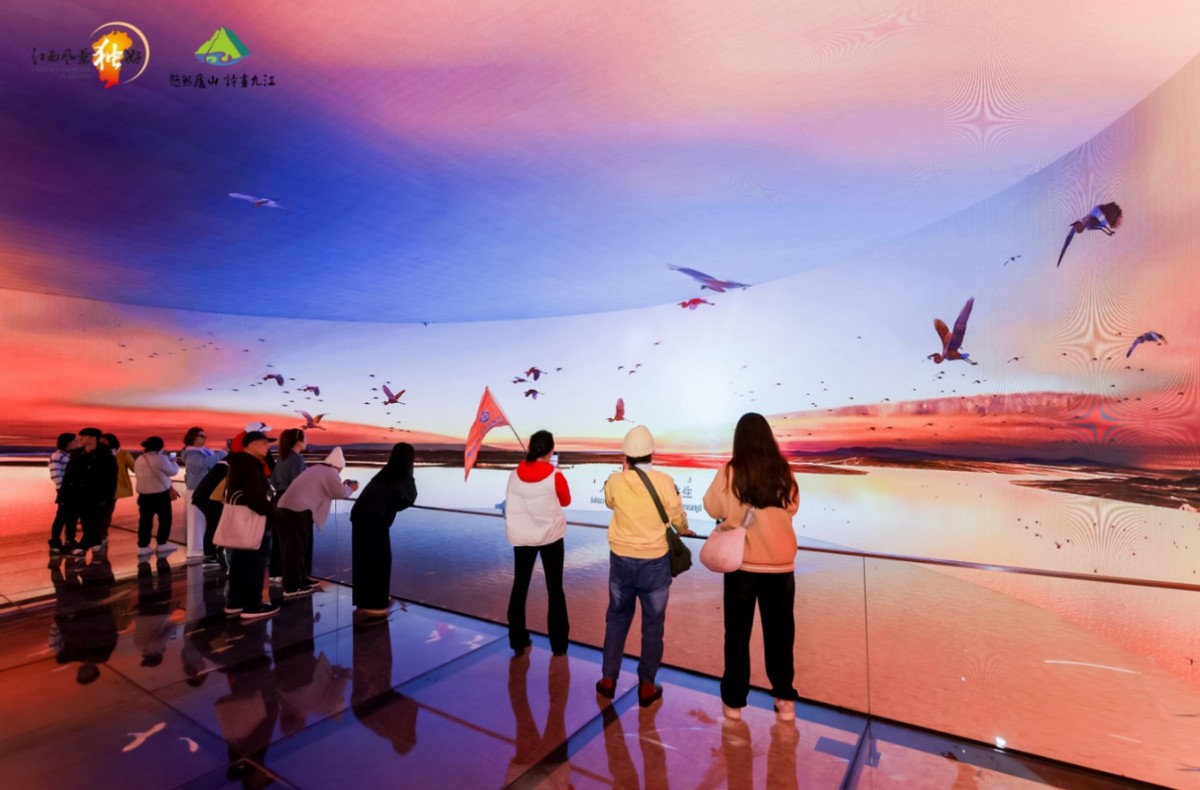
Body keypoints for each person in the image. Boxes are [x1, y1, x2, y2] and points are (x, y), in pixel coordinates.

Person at [702, 412, 801, 723]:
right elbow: (793, 507)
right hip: (780, 566)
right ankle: (785, 700)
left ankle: (734, 703)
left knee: (737, 635)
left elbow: (712, 507)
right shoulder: (783, 470)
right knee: (780, 635)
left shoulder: (730, 471)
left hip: (743, 565)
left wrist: (734, 510)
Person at [597, 425, 691, 708]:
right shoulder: (664, 481)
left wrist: (623, 472)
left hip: (621, 560)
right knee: (652, 625)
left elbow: (610, 502)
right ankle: (647, 685)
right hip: (655, 563)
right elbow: (677, 516)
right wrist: (683, 529)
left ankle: (608, 680)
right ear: (652, 453)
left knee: (617, 618)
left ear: (626, 456)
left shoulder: (615, 481)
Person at [504, 430, 571, 657]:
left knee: (520, 587)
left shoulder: (514, 474)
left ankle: (517, 639)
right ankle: (559, 645)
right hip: (550, 538)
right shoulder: (555, 475)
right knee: (555, 590)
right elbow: (566, 500)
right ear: (551, 450)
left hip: (523, 538)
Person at [276, 447, 357, 599]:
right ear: (338, 466)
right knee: (295, 549)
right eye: (340, 470)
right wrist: (351, 489)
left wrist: (342, 484)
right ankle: (292, 586)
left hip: (287, 508)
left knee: (296, 547)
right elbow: (339, 493)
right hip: (297, 511)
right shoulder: (330, 472)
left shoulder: (317, 469)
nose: (339, 472)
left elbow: (329, 487)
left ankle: (301, 578)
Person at [349, 443, 416, 616]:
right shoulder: (402, 473)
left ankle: (364, 600)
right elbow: (411, 496)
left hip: (360, 515)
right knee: (380, 559)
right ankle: (376, 604)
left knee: (363, 558)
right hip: (374, 519)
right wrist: (392, 507)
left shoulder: (386, 472)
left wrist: (390, 506)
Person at [224, 431, 280, 620]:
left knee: (240, 561)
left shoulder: (240, 464)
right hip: (254, 521)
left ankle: (236, 602)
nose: (268, 447)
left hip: (243, 522)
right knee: (255, 563)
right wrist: (274, 513)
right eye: (264, 443)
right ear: (251, 444)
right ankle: (252, 605)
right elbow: (255, 498)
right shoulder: (249, 465)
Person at [60, 427, 117, 556]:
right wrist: (64, 495)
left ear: (93, 438)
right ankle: (96, 544)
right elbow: (68, 476)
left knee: (92, 520)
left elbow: (111, 479)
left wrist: (108, 497)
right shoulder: (77, 455)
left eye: (83, 436)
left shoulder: (106, 456)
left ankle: (83, 546)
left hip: (96, 494)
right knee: (86, 520)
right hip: (77, 493)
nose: (80, 439)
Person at [181, 427, 226, 563]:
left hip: (204, 490)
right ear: (192, 437)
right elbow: (205, 464)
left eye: (205, 436)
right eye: (201, 436)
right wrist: (221, 453)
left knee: (205, 521)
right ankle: (196, 550)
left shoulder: (203, 452)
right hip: (195, 489)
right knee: (196, 521)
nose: (204, 439)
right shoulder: (191, 454)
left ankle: (204, 548)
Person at [133, 436, 180, 558]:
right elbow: (173, 471)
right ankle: (162, 544)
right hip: (160, 495)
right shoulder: (161, 458)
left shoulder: (140, 459)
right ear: (160, 446)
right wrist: (173, 461)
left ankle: (143, 546)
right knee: (165, 519)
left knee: (145, 521)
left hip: (143, 495)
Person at [192, 452, 230, 569]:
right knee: (214, 526)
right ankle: (212, 556)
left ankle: (210, 556)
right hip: (210, 499)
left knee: (212, 526)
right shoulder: (231, 466)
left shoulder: (223, 464)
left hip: (203, 497)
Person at [100, 432, 137, 554]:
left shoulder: (122, 454)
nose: (102, 443)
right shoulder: (96, 453)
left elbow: (135, 468)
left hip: (114, 488)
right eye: (101, 441)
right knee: (98, 513)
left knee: (106, 512)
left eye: (104, 441)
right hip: (97, 488)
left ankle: (102, 535)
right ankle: (100, 535)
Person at [48, 432, 79, 553]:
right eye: (75, 441)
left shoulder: (71, 456)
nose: (77, 443)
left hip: (73, 490)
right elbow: (56, 475)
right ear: (67, 443)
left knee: (73, 516)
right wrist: (63, 489)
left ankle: (70, 539)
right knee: (61, 516)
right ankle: (55, 542)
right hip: (65, 491)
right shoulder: (57, 456)